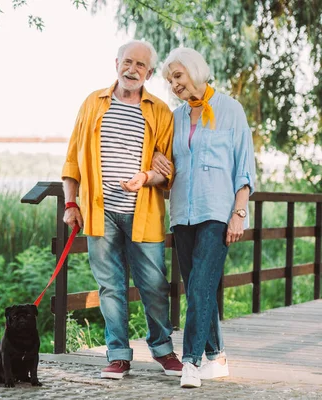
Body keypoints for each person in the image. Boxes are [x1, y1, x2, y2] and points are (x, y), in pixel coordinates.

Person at [61, 40, 182, 379]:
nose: (132, 70)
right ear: (116, 63)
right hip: (101, 214)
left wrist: (148, 176)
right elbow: (72, 159)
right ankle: (118, 355)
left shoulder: (159, 111)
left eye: (140, 65)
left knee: (154, 285)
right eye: (127, 62)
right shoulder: (92, 103)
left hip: (143, 214)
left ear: (150, 72)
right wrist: (71, 203)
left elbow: (168, 170)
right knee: (111, 288)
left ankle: (162, 349)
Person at [153, 47, 256, 388]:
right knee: (200, 284)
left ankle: (191, 362)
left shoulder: (230, 110)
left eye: (178, 77)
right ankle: (217, 356)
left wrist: (239, 212)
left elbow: (244, 167)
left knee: (198, 285)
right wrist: (157, 163)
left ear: (196, 71)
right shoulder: (176, 117)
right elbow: (167, 163)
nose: (174, 85)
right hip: (183, 212)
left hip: (217, 211)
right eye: (170, 80)